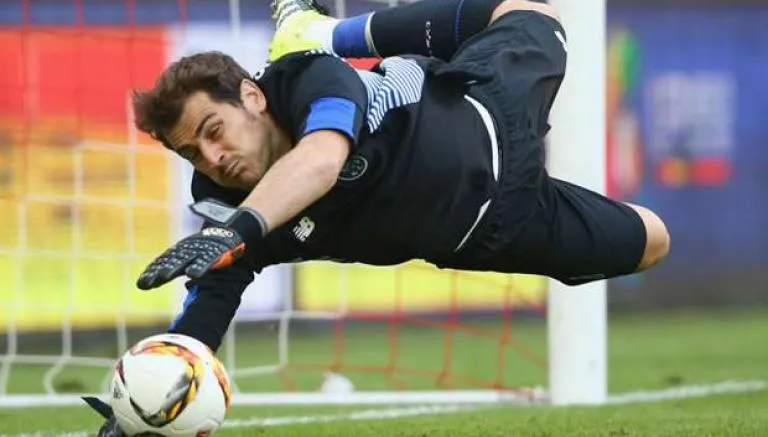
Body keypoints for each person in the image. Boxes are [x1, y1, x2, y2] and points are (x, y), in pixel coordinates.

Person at [89, 0, 670, 433]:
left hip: (489, 108)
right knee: (651, 241)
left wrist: (240, 226)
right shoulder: (225, 204)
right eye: (192, 152)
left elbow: (321, 159)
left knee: (529, 11)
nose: (212, 158)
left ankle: (323, 27)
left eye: (213, 132)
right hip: (493, 231)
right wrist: (148, 400)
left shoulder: (309, 78)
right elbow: (211, 298)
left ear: (252, 96)